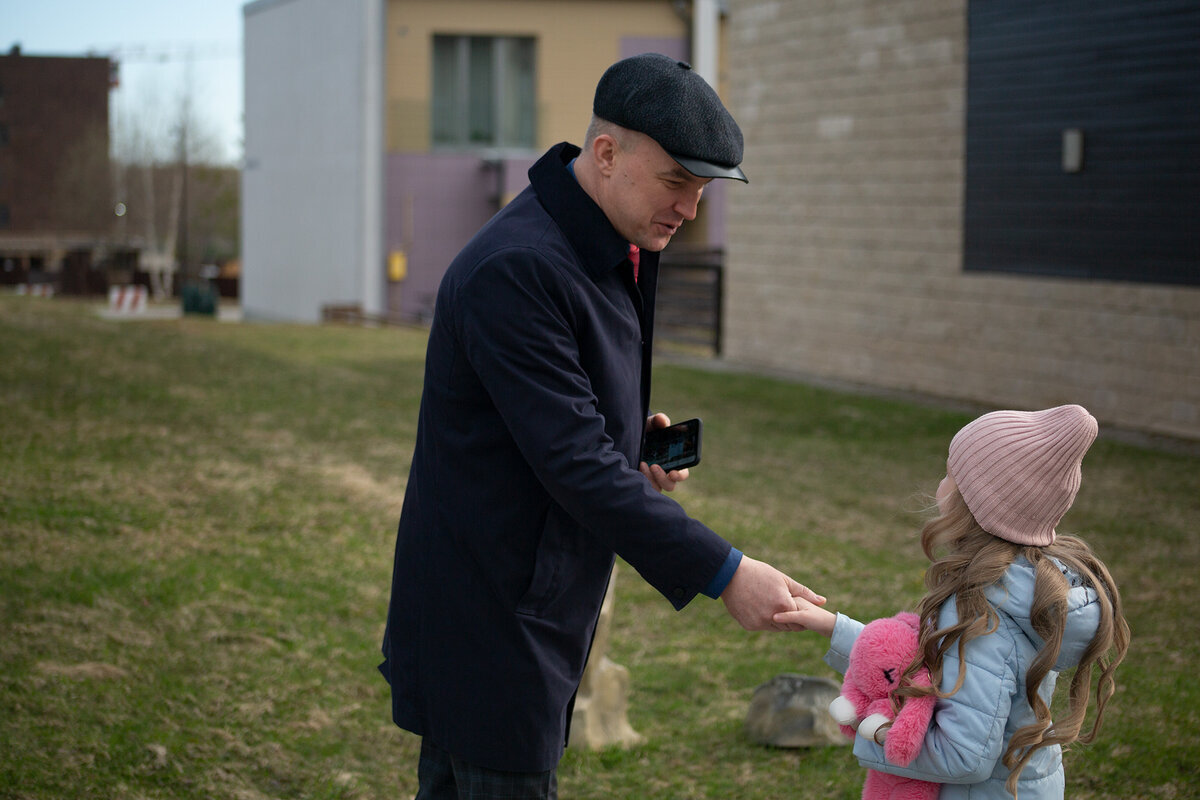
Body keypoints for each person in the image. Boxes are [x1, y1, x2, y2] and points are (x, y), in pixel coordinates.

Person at [379, 53, 827, 799]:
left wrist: (630, 439)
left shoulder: (608, 237)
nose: (690, 209)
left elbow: (568, 419)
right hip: (489, 621)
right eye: (678, 182)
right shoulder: (518, 269)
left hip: (528, 604)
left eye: (703, 189)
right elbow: (576, 462)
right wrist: (726, 573)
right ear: (606, 153)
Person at [775, 405, 1130, 799]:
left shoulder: (984, 613)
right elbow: (930, 665)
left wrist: (871, 731)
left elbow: (964, 756)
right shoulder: (1024, 590)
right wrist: (833, 627)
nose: (941, 483)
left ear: (976, 502)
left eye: (951, 474)